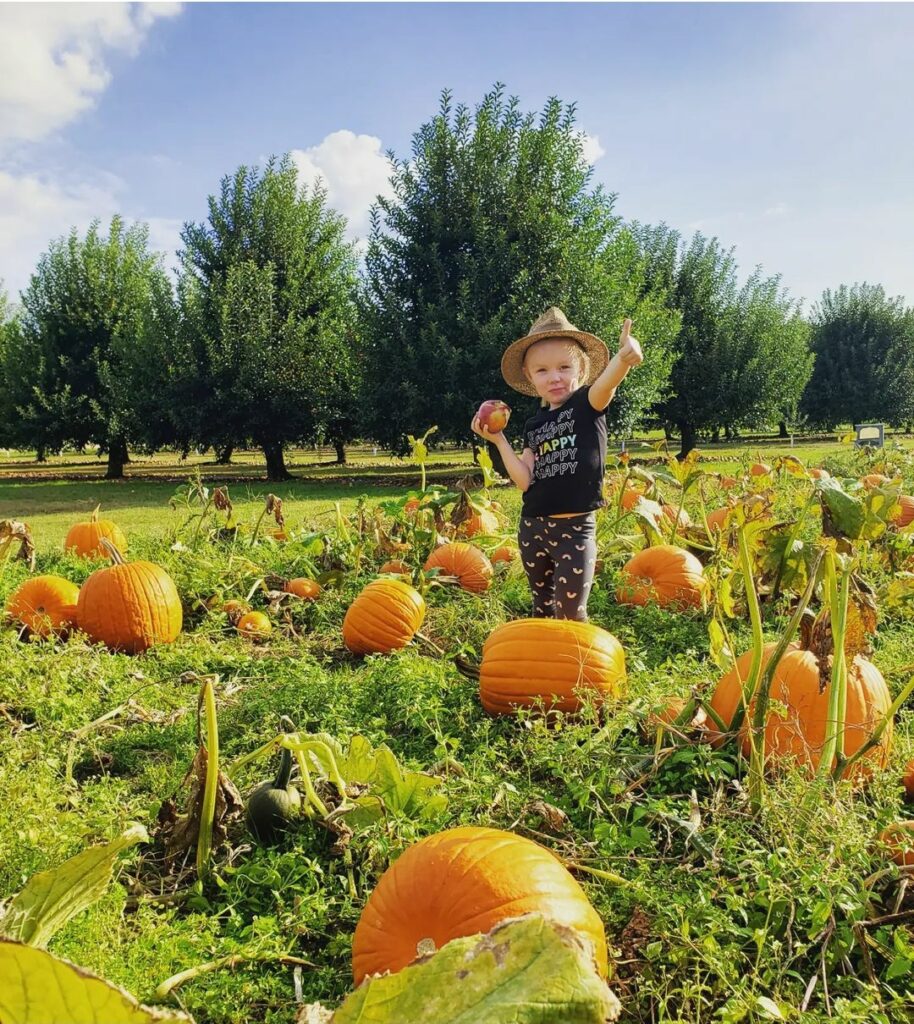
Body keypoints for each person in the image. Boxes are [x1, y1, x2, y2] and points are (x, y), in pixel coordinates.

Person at [472, 306, 643, 621]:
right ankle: (545, 661)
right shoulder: (534, 426)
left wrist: (624, 359)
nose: (554, 378)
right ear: (529, 377)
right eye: (542, 371)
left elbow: (608, 384)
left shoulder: (587, 404)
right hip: (532, 527)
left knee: (571, 614)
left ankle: (576, 665)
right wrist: (498, 440)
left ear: (581, 370)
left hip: (574, 530)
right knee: (542, 609)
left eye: (564, 367)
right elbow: (525, 479)